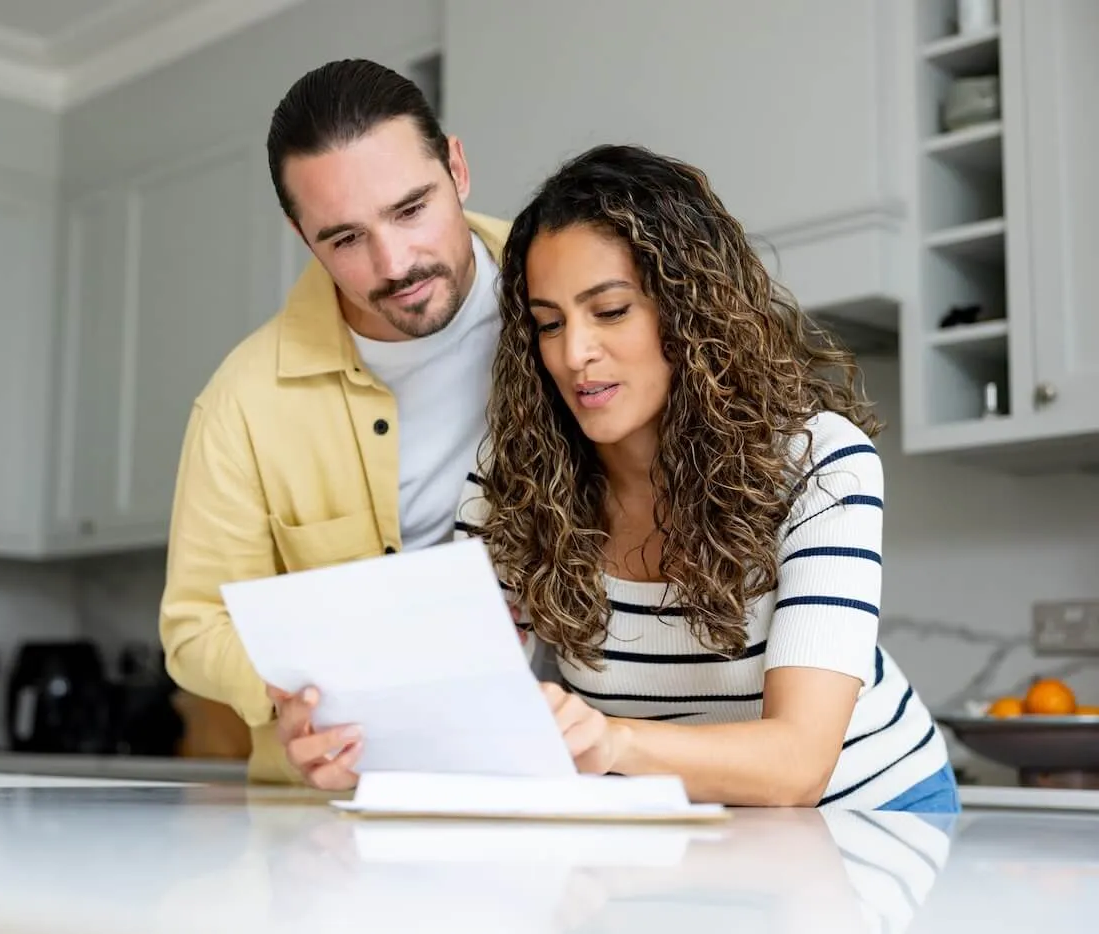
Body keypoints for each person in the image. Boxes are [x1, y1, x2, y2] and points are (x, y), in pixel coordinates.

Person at [453, 143, 958, 811]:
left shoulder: (821, 464)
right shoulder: (509, 487)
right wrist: (352, 743)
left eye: (610, 311)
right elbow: (457, 709)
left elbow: (799, 766)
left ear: (689, 310)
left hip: (874, 813)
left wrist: (613, 744)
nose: (574, 353)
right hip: (687, 826)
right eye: (549, 324)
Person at [158, 58, 509, 784]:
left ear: (458, 168)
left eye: (412, 209)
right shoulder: (244, 401)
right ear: (302, 234)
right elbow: (194, 625)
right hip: (335, 818)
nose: (396, 262)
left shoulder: (573, 287)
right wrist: (290, 697)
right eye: (346, 239)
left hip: (557, 782)